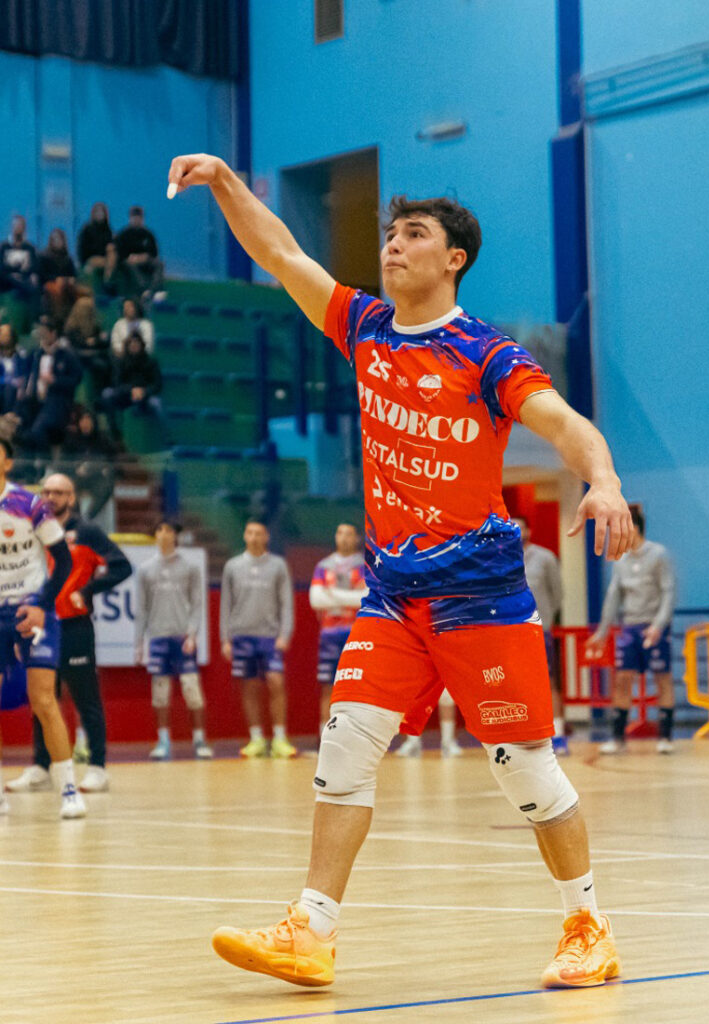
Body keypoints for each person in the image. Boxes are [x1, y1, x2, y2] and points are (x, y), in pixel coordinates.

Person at [168, 153, 632, 990]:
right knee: (345, 746)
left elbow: (565, 424)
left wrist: (602, 480)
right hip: (392, 593)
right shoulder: (365, 327)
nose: (392, 245)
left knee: (526, 772)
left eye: (413, 234)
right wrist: (227, 182)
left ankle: (588, 927)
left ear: (454, 258)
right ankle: (311, 931)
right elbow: (280, 253)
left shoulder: (487, 354)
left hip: (480, 596)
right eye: (389, 234)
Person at [5, 474, 132, 795]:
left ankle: (98, 767)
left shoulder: (86, 531)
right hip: (39, 624)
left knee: (85, 696)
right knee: (42, 697)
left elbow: (122, 566)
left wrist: (87, 591)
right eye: (46, 491)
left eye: (59, 493)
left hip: (74, 626)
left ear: (72, 498)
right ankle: (41, 767)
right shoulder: (31, 526)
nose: (51, 497)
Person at [0, 439, 82, 818]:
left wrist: (41, 605)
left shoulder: (29, 504)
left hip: (33, 610)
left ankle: (69, 790)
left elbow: (63, 562)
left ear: (8, 462)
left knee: (44, 700)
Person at [585, 504, 677, 755]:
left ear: (633, 528)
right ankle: (618, 739)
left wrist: (658, 625)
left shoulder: (658, 555)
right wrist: (602, 632)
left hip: (653, 627)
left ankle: (665, 737)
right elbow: (613, 597)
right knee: (622, 680)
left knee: (662, 679)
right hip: (629, 627)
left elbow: (668, 592)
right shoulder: (621, 559)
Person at [134, 519, 212, 760]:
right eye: (159, 530)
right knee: (160, 693)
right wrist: (139, 643)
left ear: (176, 535)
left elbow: (197, 604)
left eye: (168, 530)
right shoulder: (145, 570)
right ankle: (163, 741)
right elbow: (142, 609)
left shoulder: (190, 568)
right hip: (158, 638)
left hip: (182, 638)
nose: (163, 534)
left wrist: (192, 634)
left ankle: (199, 740)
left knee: (191, 690)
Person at [220, 519, 296, 759]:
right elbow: (226, 604)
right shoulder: (232, 566)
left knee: (276, 682)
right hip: (242, 636)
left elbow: (286, 603)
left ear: (266, 537)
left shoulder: (278, 565)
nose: (254, 537)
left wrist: (284, 634)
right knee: (250, 687)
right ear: (245, 536)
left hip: (270, 637)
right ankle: (256, 739)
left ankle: (280, 738)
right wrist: (225, 639)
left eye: (258, 533)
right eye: (250, 533)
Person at [514, 516, 567, 754]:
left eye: (520, 527)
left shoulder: (545, 557)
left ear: (529, 530)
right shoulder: (501, 558)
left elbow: (557, 594)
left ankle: (559, 734)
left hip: (539, 630)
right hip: (512, 632)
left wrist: (544, 617)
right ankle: (525, 734)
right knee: (517, 684)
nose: (517, 532)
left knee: (548, 681)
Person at [308, 522, 367, 731]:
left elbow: (365, 598)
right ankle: (324, 734)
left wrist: (332, 595)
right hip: (329, 635)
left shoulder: (365, 566)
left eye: (349, 534)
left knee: (357, 687)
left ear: (357, 538)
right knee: (328, 686)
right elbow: (316, 600)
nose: (344, 537)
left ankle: (356, 733)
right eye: (340, 533)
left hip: (357, 635)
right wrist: (350, 597)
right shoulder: (323, 566)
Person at [17, 316, 83, 452]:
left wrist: (55, 381)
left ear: (53, 333)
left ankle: (45, 461)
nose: (41, 335)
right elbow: (27, 375)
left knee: (38, 430)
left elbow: (76, 379)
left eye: (44, 332)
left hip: (57, 402)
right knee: (21, 431)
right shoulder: (36, 354)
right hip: (35, 401)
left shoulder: (66, 354)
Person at [99, 331, 165, 443]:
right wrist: (131, 390)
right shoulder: (121, 362)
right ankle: (114, 434)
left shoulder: (151, 362)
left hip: (145, 397)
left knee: (156, 403)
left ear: (141, 345)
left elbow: (157, 384)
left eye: (137, 343)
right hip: (124, 396)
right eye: (131, 343)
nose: (134, 346)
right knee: (107, 393)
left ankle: (164, 438)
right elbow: (116, 383)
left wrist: (144, 391)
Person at [59, 408, 119, 520]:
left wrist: (101, 468)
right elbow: (63, 463)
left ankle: (87, 517)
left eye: (88, 420)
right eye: (83, 420)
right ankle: (75, 519)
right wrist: (76, 468)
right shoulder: (71, 440)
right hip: (77, 477)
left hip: (97, 477)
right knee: (69, 489)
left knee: (106, 487)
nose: (86, 423)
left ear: (93, 422)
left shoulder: (103, 440)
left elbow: (111, 461)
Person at [112, 206, 165, 301]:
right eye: (134, 218)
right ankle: (143, 289)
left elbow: (154, 252)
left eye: (139, 218)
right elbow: (119, 252)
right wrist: (131, 258)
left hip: (145, 261)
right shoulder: (123, 234)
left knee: (159, 264)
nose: (137, 220)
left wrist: (145, 257)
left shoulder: (148, 234)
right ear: (130, 218)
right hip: (128, 262)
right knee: (130, 265)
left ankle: (155, 290)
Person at [0, 215, 39, 321]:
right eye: (16, 225)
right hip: (7, 280)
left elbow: (33, 267)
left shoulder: (29, 247)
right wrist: (14, 273)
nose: (18, 228)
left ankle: (32, 322)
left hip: (23, 278)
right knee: (25, 286)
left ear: (24, 228)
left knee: (33, 286)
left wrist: (31, 275)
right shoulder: (4, 246)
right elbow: (2, 267)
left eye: (20, 225)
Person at [38, 228, 77, 325]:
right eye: (55, 239)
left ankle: (76, 319)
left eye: (60, 239)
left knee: (85, 292)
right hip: (50, 284)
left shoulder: (68, 258)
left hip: (67, 284)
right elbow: (42, 276)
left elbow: (73, 275)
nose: (58, 242)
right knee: (55, 289)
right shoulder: (44, 256)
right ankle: (59, 321)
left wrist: (71, 279)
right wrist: (56, 279)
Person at [0, 322, 30, 417]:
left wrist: (21, 384)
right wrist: (8, 380)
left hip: (16, 393)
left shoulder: (21, 355)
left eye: (5, 335)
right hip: (3, 388)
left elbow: (25, 374)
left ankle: (12, 417)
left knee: (15, 390)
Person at [77, 202, 114, 274]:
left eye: (102, 212)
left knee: (112, 255)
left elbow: (111, 245)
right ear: (93, 214)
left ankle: (107, 278)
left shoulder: (108, 230)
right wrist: (83, 263)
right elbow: (81, 248)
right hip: (91, 259)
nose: (100, 214)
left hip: (106, 258)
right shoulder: (87, 229)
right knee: (107, 262)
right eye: (97, 212)